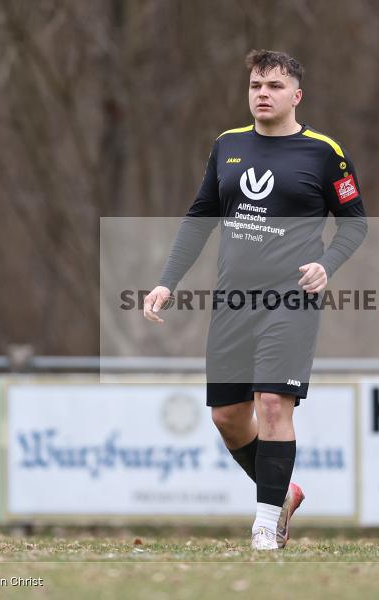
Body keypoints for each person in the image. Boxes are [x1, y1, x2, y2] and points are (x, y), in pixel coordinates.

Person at [143, 49, 367, 550]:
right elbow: (200, 216)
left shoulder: (324, 152)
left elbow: (356, 222)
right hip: (232, 303)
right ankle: (282, 494)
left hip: (290, 302)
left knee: (272, 404)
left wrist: (326, 265)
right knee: (226, 416)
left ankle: (266, 526)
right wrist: (167, 281)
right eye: (255, 85)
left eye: (274, 86)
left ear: (296, 95)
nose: (262, 94)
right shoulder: (227, 146)